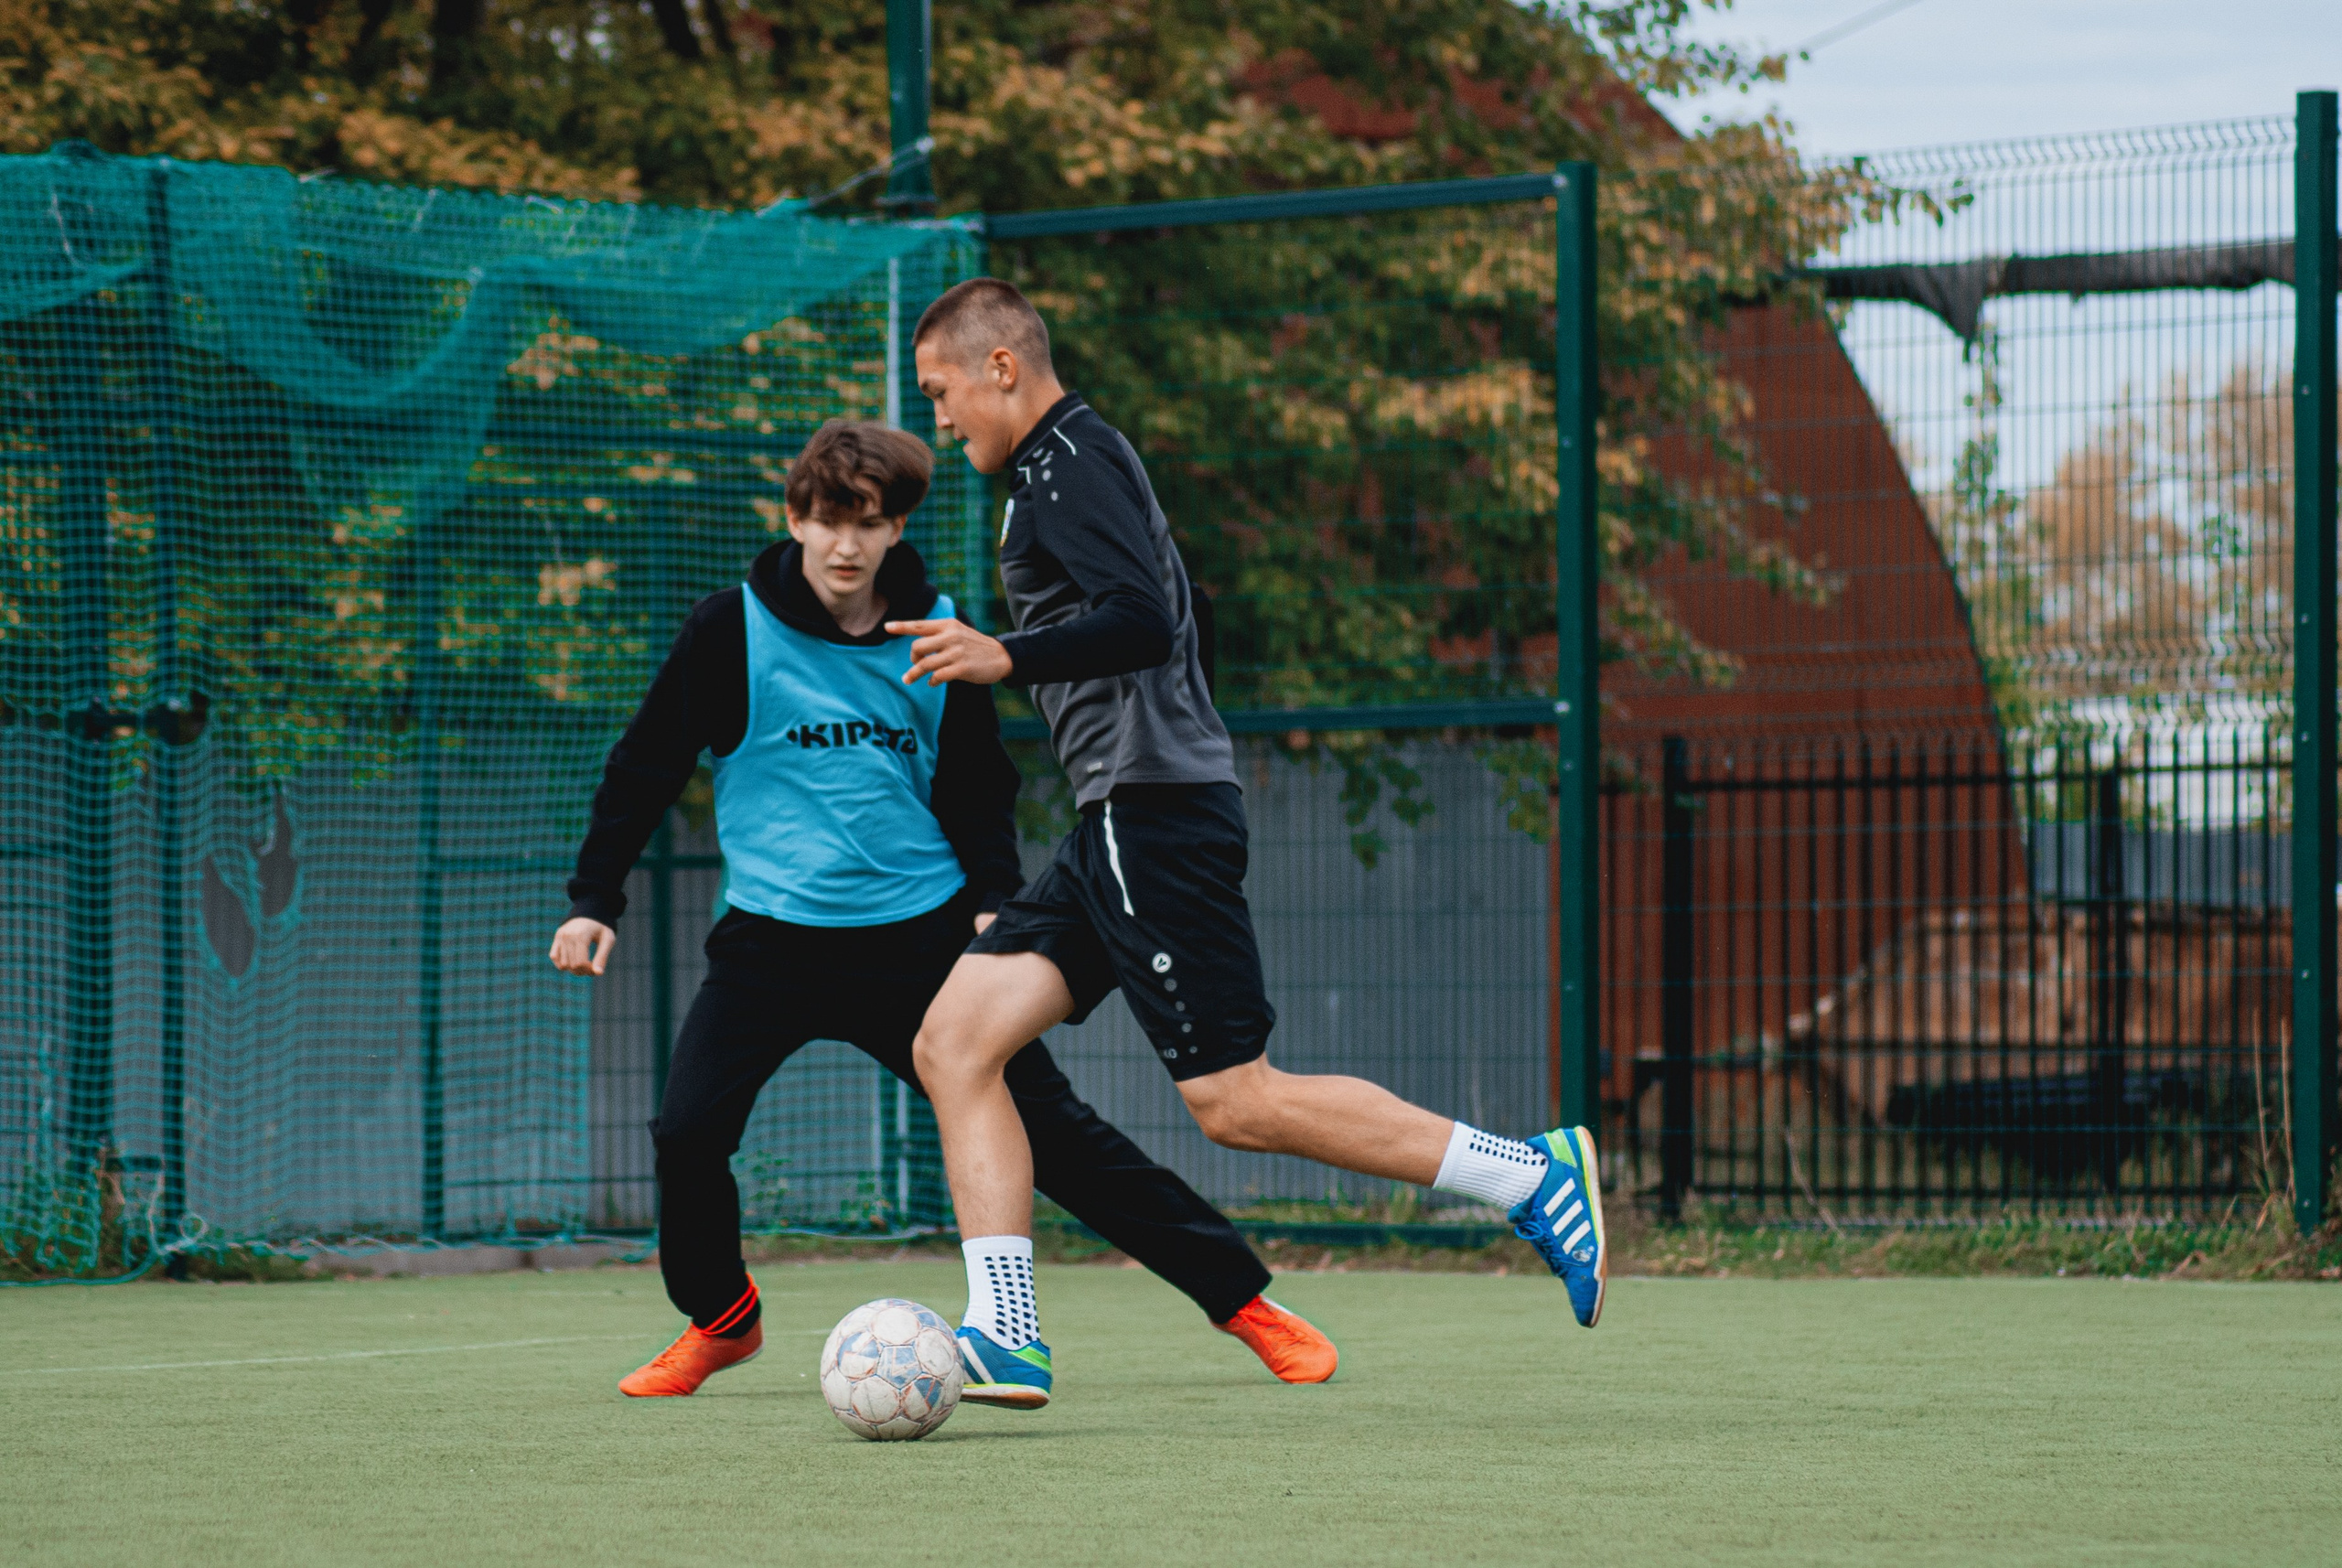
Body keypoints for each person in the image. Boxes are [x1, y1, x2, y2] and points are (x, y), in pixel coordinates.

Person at [892, 280, 1607, 1407]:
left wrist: (1006, 659)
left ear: (999, 368)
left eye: (939, 391)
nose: (937, 418)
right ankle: (1007, 1330)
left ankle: (1527, 1174)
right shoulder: (1073, 459)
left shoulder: (1064, 460)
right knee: (953, 1042)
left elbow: (1145, 617)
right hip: (1123, 814)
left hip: (1150, 816)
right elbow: (1194, 610)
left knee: (1237, 1100)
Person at [550, 418, 1336, 1404]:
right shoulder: (729, 629)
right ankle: (721, 1318)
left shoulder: (938, 633)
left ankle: (1247, 1306)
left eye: (867, 524)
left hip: (917, 936)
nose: (845, 545)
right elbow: (644, 768)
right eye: (827, 521)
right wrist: (594, 899)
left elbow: (975, 785)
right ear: (794, 519)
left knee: (1058, 1136)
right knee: (686, 1133)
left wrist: (989, 904)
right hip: (768, 942)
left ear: (895, 528)